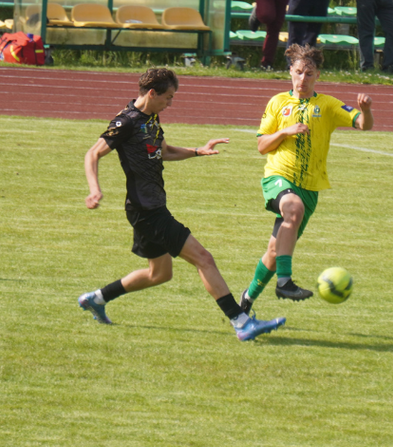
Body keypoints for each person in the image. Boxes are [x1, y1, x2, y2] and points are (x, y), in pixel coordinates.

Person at [77, 68, 285, 341]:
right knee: (203, 258)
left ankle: (97, 299)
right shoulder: (125, 122)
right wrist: (95, 190)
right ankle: (241, 321)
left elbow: (165, 151)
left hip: (149, 207)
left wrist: (198, 151)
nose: (170, 103)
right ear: (152, 93)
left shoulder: (151, 116)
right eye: (168, 97)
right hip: (147, 211)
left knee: (159, 274)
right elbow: (93, 153)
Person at [239, 44, 373, 314]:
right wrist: (286, 132)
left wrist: (366, 110)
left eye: (308, 74)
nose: (302, 79)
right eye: (298, 72)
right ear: (290, 71)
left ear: (317, 76)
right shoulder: (277, 102)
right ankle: (284, 283)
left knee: (275, 254)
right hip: (279, 176)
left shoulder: (328, 104)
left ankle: (245, 301)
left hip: (311, 186)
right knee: (293, 208)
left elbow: (362, 124)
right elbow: (262, 146)